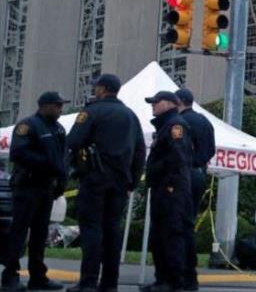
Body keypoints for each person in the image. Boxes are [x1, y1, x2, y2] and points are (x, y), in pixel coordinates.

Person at [66, 75, 146, 292]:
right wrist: (132, 181)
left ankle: (88, 281)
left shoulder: (92, 111)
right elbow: (140, 151)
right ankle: (110, 283)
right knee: (112, 230)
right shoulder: (131, 116)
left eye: (97, 88)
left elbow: (73, 141)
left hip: (94, 178)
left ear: (102, 89)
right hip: (120, 182)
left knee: (91, 229)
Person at [1, 92, 69, 292]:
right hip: (27, 186)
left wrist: (61, 181)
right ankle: (10, 277)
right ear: (44, 106)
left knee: (40, 235)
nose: (60, 109)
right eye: (57, 105)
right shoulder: (27, 125)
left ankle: (38, 276)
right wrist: (47, 164)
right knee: (19, 233)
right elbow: (18, 153)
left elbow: (63, 158)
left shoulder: (58, 129)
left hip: (46, 188)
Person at [142, 92, 193, 292]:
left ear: (169, 104)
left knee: (170, 235)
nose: (152, 106)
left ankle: (172, 281)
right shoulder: (166, 125)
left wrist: (170, 183)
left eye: (156, 102)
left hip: (171, 189)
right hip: (163, 187)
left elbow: (178, 157)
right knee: (159, 235)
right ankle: (162, 279)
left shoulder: (175, 126)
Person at [174, 89, 215, 292]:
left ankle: (180, 272)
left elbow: (177, 150)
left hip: (184, 175)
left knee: (176, 225)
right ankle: (190, 273)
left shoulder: (180, 122)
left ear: (180, 102)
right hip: (199, 174)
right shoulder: (204, 121)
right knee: (188, 223)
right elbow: (211, 150)